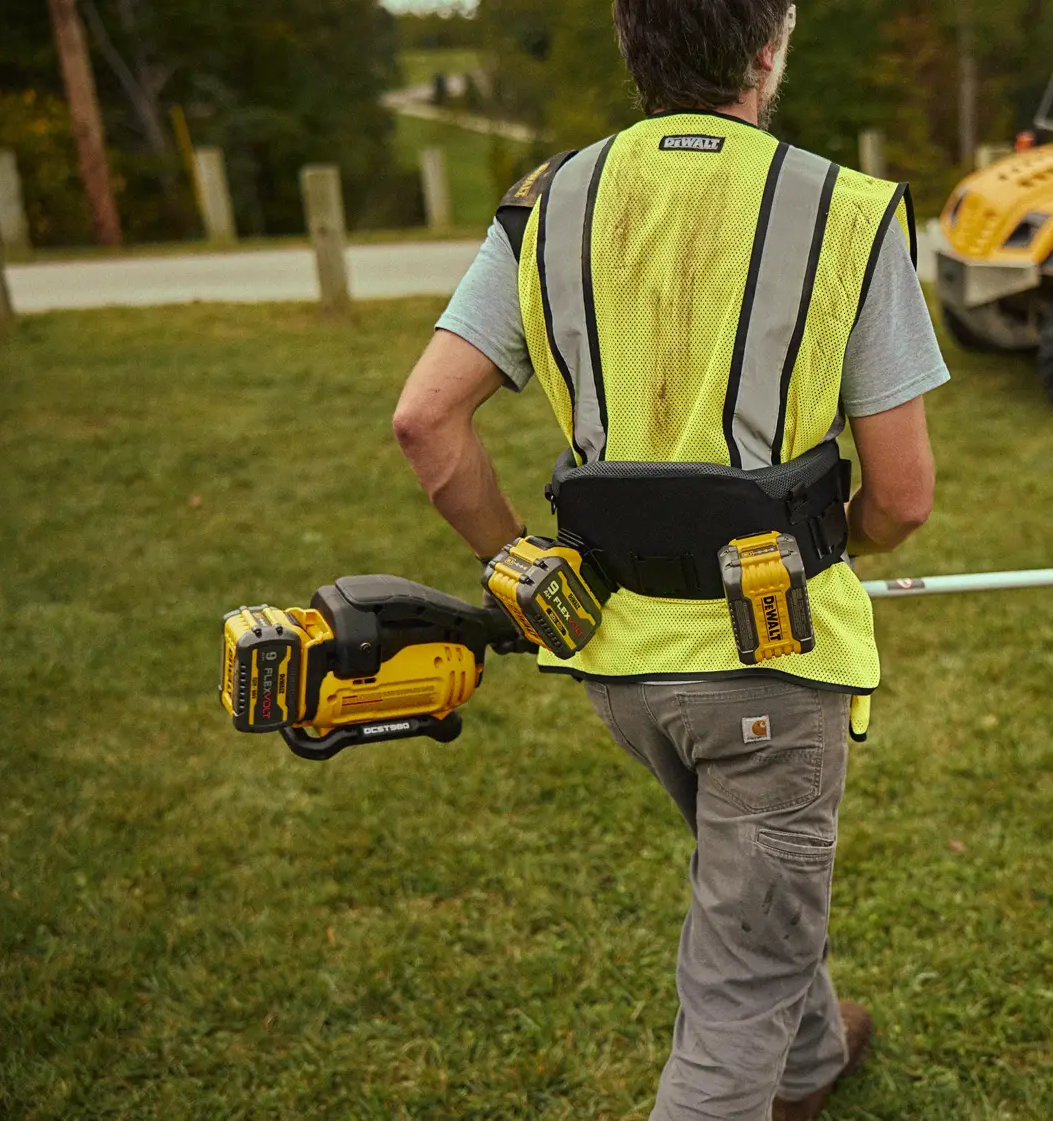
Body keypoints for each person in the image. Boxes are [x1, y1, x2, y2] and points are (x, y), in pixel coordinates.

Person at [391, 0, 947, 1115]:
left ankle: (810, 1057)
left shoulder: (547, 206)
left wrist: (527, 569)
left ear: (629, 42)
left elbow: (424, 421)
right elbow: (903, 495)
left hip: (624, 668)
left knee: (752, 879)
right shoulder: (843, 210)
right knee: (735, 983)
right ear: (771, 45)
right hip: (772, 674)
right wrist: (850, 546)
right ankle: (766, 1058)